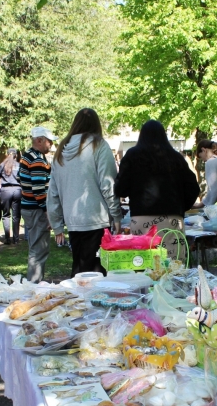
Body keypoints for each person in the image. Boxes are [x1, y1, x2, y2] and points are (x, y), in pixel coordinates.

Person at [47, 108, 121, 277]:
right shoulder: (99, 145)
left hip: (73, 220)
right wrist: (116, 215)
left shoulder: (61, 150)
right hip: (96, 220)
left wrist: (57, 224)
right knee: (95, 276)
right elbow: (108, 184)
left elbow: (53, 193)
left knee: (80, 272)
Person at [115, 120, 199, 260]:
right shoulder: (176, 158)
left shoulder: (132, 155)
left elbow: (120, 188)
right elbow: (193, 188)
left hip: (141, 219)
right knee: (173, 267)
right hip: (172, 220)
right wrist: (181, 207)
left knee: (142, 264)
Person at [20, 127, 55, 282]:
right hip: (36, 209)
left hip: (29, 207)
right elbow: (39, 190)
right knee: (39, 251)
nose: (51, 145)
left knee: (35, 249)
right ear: (40, 140)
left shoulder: (27, 156)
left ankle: (34, 284)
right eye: (50, 142)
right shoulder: (38, 160)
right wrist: (48, 212)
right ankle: (34, 286)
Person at [0, 148, 22, 245]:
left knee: (6, 215)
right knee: (16, 216)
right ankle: (16, 238)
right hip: (17, 190)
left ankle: (7, 238)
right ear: (16, 155)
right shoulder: (19, 165)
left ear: (7, 155)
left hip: (6, 191)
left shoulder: (3, 165)